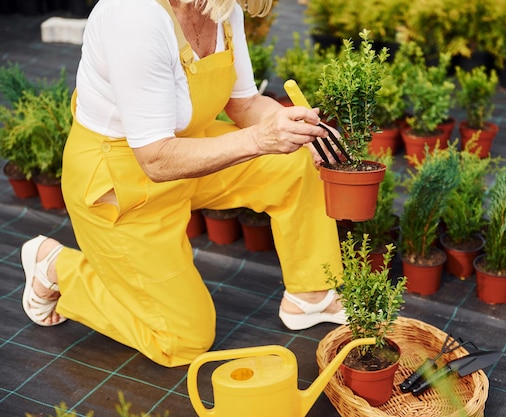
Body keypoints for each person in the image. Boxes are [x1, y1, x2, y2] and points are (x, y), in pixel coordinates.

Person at [20, 0, 346, 368]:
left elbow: (245, 104)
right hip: (123, 184)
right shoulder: (134, 17)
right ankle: (56, 268)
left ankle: (311, 296)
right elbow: (156, 159)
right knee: (184, 339)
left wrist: (296, 129)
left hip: (188, 154)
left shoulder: (222, 10)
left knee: (295, 159)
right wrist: (261, 140)